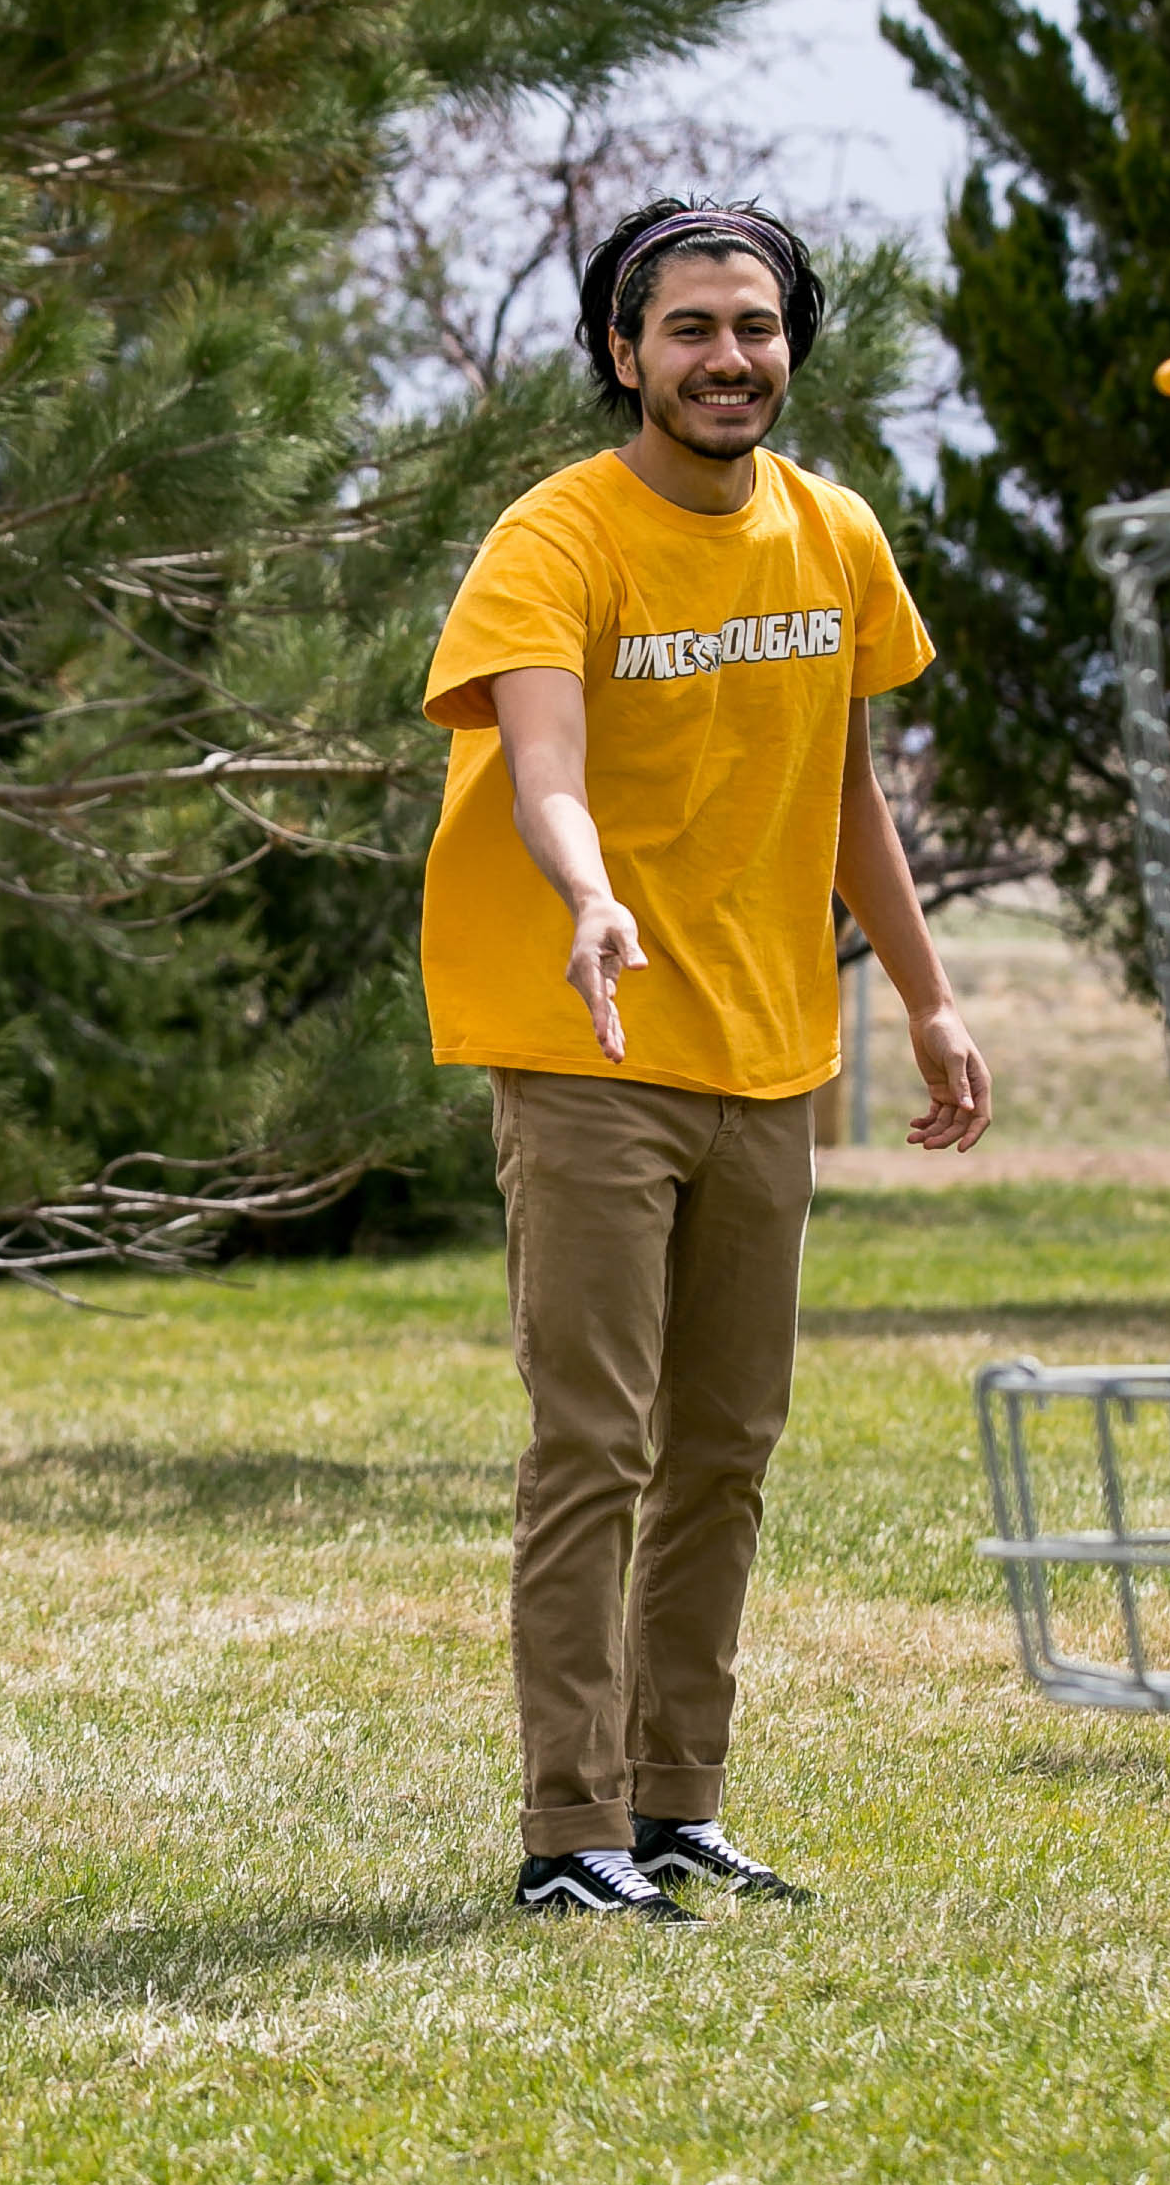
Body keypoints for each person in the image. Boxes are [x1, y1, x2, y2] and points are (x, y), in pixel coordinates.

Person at [419, 198, 992, 1922]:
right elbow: (544, 769)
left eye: (753, 327)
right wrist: (589, 894)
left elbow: (845, 789)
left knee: (728, 1445)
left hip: (764, 1051)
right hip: (588, 1042)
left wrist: (929, 995)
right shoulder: (558, 537)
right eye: (688, 330)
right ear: (623, 352)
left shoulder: (832, 538)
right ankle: (567, 1827)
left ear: (790, 342)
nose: (727, 358)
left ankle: (678, 1802)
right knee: (593, 1442)